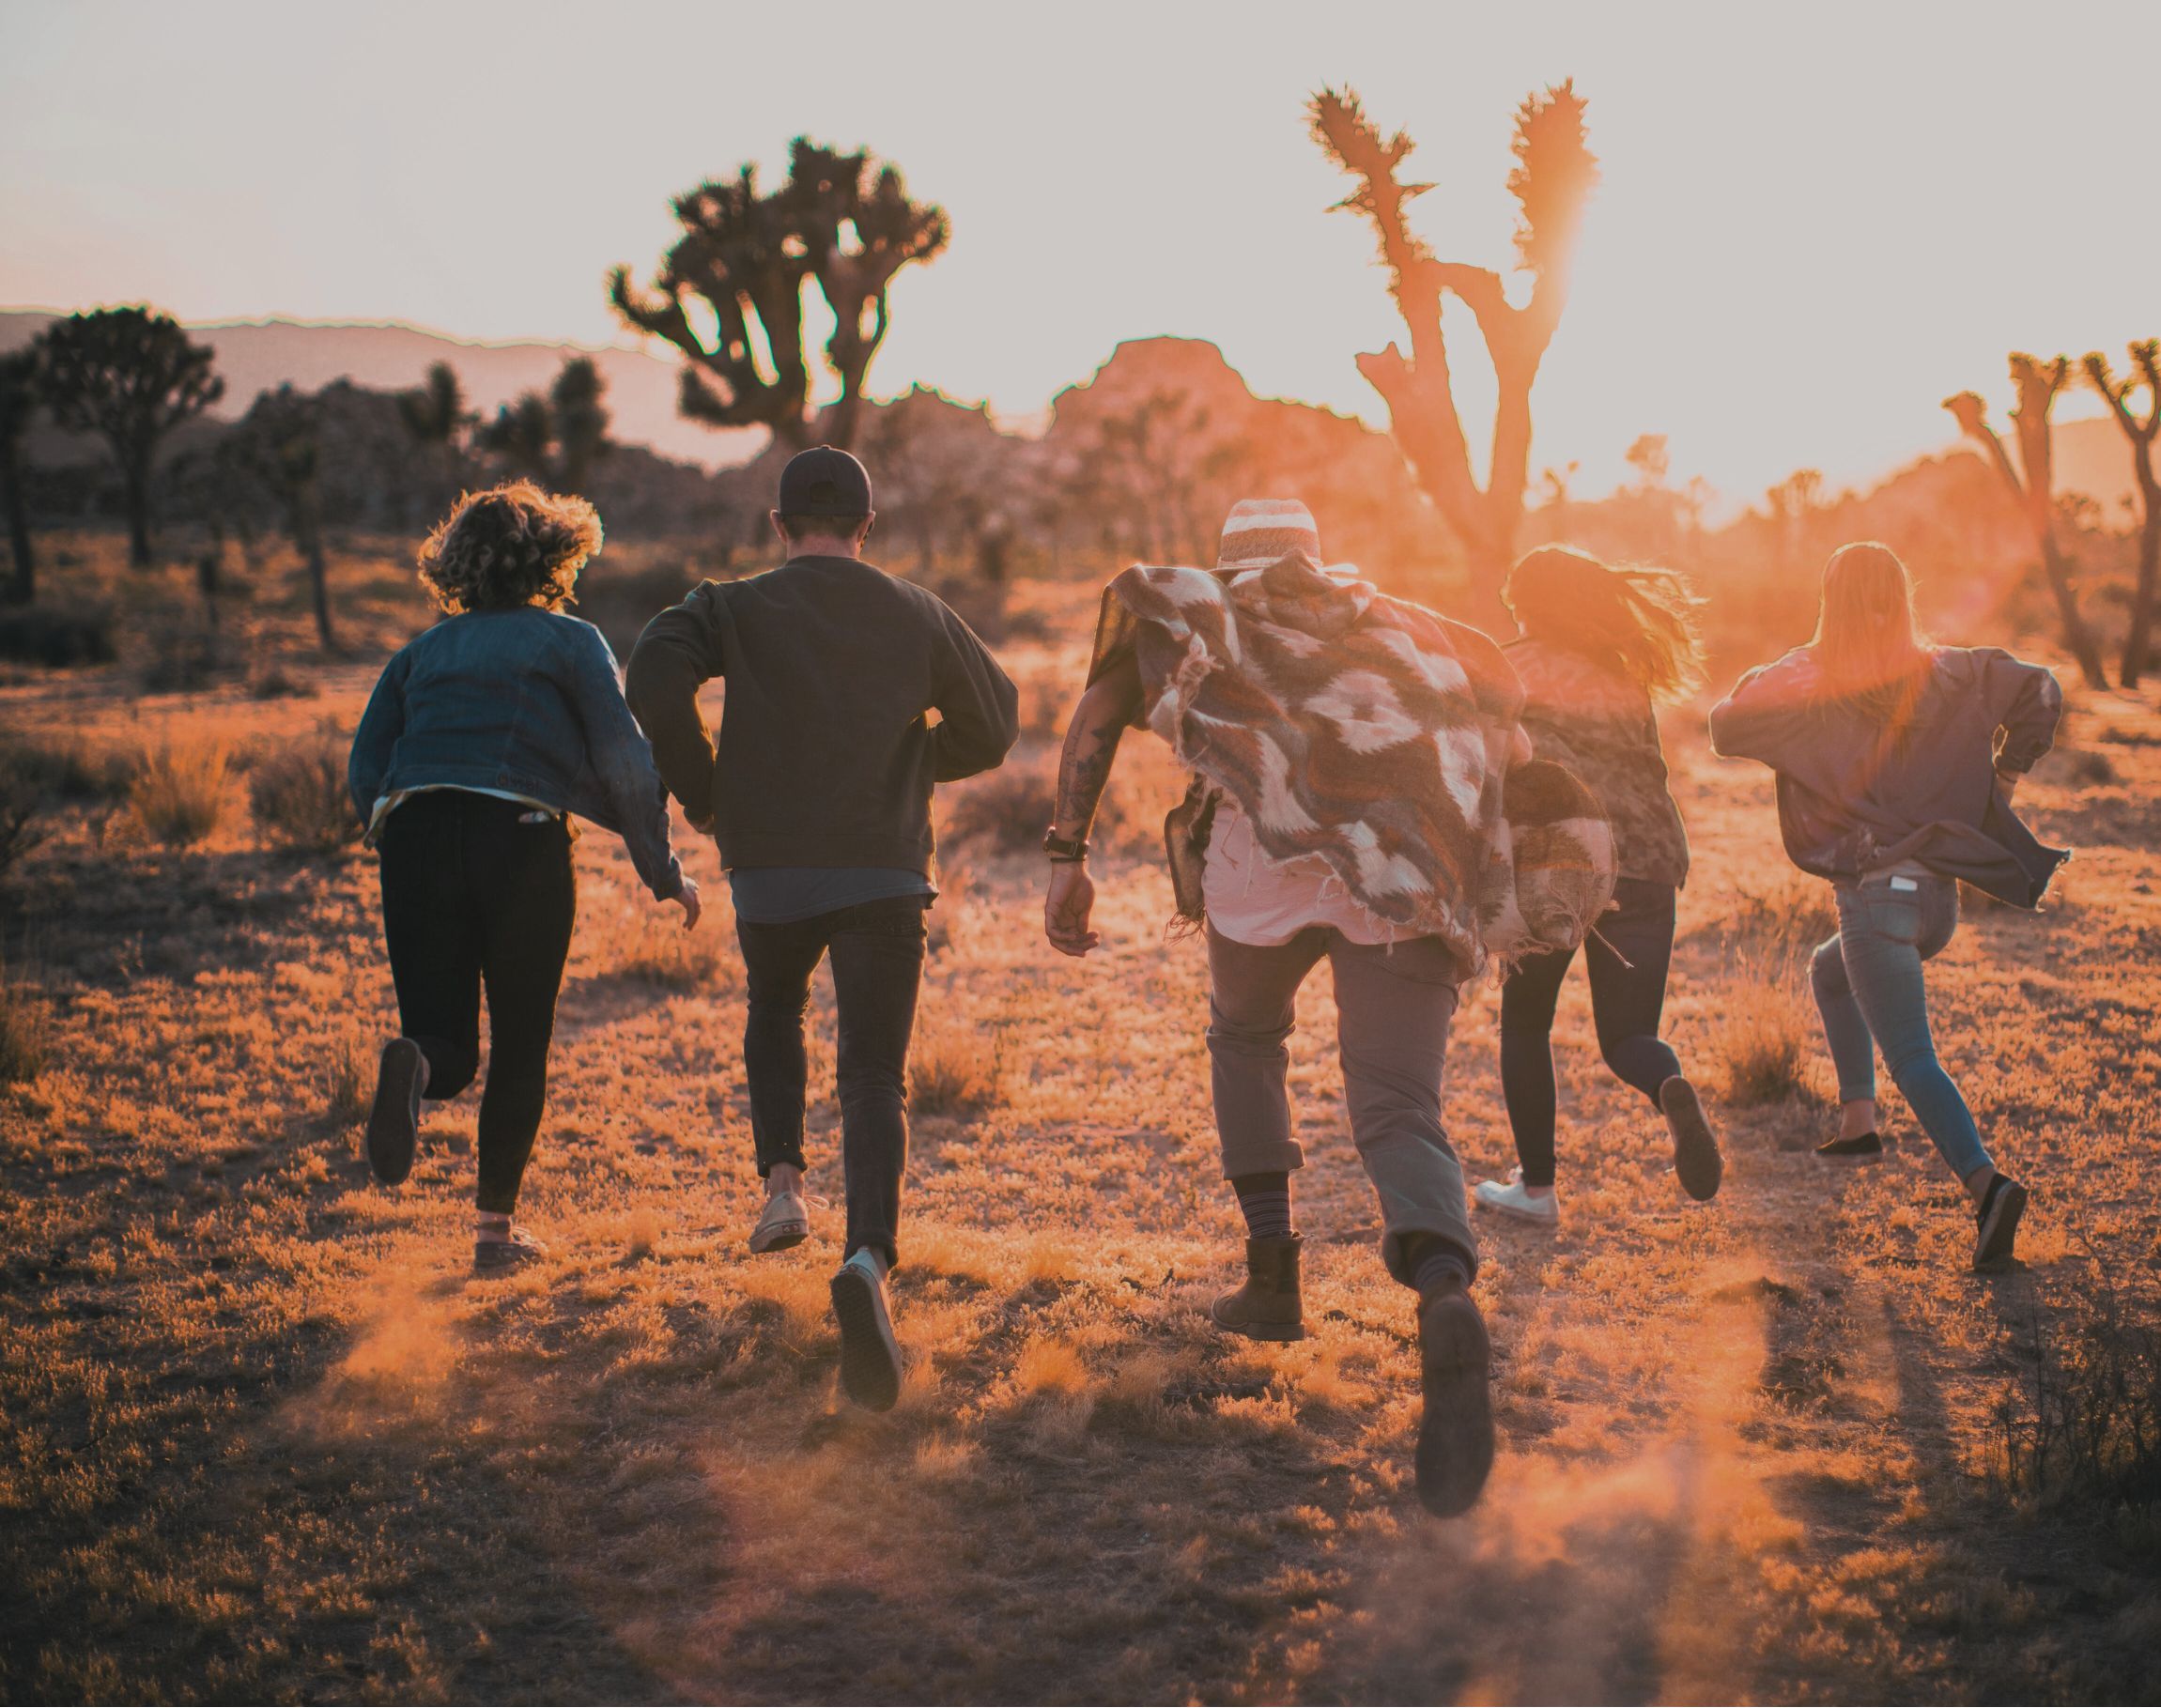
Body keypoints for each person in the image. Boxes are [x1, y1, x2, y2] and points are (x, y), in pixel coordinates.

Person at [1042, 499, 1572, 1519]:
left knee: (1247, 1041)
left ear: (1230, 565)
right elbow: (1507, 721)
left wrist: (1069, 854)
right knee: (1396, 1103)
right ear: (1318, 560)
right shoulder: (1408, 629)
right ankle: (1445, 1286)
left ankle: (1272, 1276)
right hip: (1403, 878)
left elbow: (1101, 706)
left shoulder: (1211, 617)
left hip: (1260, 882)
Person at [626, 445, 1019, 1411]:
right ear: (867, 528)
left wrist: (707, 788)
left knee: (774, 1005)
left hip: (770, 869)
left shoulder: (732, 606)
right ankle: (868, 1260)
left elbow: (649, 676)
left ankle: (783, 1192)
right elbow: (998, 718)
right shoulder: (917, 611)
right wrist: (918, 759)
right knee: (875, 1072)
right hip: (885, 867)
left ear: (779, 525)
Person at [348, 482, 699, 1272]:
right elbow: (624, 759)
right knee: (518, 1043)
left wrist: (393, 833)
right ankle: (493, 1237)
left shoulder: (421, 652)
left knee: (448, 1043)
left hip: (416, 831)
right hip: (520, 838)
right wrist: (663, 870)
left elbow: (366, 761)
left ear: (457, 566)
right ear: (553, 556)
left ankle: (417, 1062)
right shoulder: (570, 641)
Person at [1710, 541, 2064, 1269]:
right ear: (1901, 597)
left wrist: (1789, 660)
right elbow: (2042, 690)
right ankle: (1858, 1119)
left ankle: (1986, 1186)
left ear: (1828, 603)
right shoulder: (1947, 667)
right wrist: (2005, 775)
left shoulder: (1811, 676)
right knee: (1827, 971)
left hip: (1875, 900)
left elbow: (1725, 721)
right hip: (1936, 901)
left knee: (1911, 1055)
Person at [1474, 546, 1722, 1227]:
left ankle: (1536, 1189)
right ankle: (1666, 1083)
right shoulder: (1623, 677)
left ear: (1529, 605)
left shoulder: (1509, 666)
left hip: (1558, 863)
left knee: (1526, 1021)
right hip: (1647, 860)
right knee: (1627, 1036)